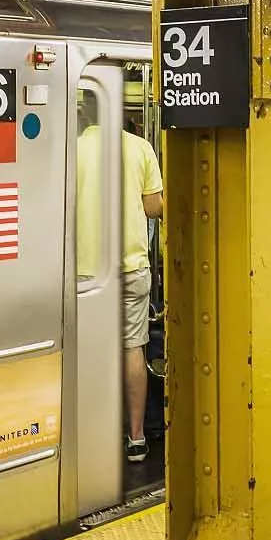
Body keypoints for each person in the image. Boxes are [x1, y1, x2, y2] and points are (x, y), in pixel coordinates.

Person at [115, 122, 165, 463]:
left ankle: (90, 433)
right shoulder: (139, 147)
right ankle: (136, 437)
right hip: (132, 266)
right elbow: (153, 208)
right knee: (133, 347)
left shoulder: (72, 142)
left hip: (83, 271)